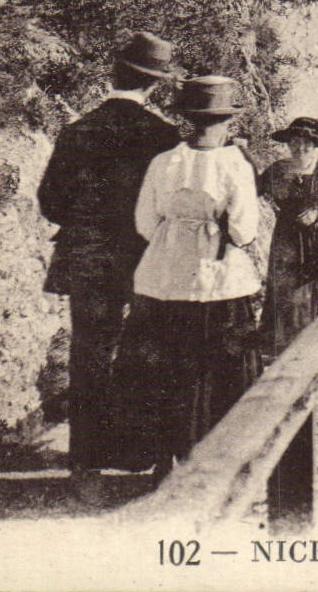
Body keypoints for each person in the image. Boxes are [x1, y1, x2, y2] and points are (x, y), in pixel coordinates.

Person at [36, 31, 182, 500]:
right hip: (146, 257)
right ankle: (158, 463)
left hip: (89, 259)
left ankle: (85, 470)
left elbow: (50, 201)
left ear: (113, 74)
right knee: (153, 353)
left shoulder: (78, 129)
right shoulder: (163, 135)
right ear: (155, 85)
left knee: (90, 356)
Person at [114, 75, 261, 474]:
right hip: (218, 279)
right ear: (226, 122)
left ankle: (166, 458)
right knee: (216, 368)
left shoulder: (164, 162)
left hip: (164, 276)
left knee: (166, 365)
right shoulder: (236, 165)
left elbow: (144, 222)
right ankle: (221, 460)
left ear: (188, 120)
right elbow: (246, 231)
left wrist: (176, 236)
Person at [258, 117, 318, 357]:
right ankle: (285, 349)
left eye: (307, 145)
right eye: (295, 143)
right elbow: (253, 188)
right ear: (289, 144)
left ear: (315, 146)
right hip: (287, 239)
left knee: (317, 286)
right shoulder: (277, 170)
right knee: (287, 290)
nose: (300, 149)